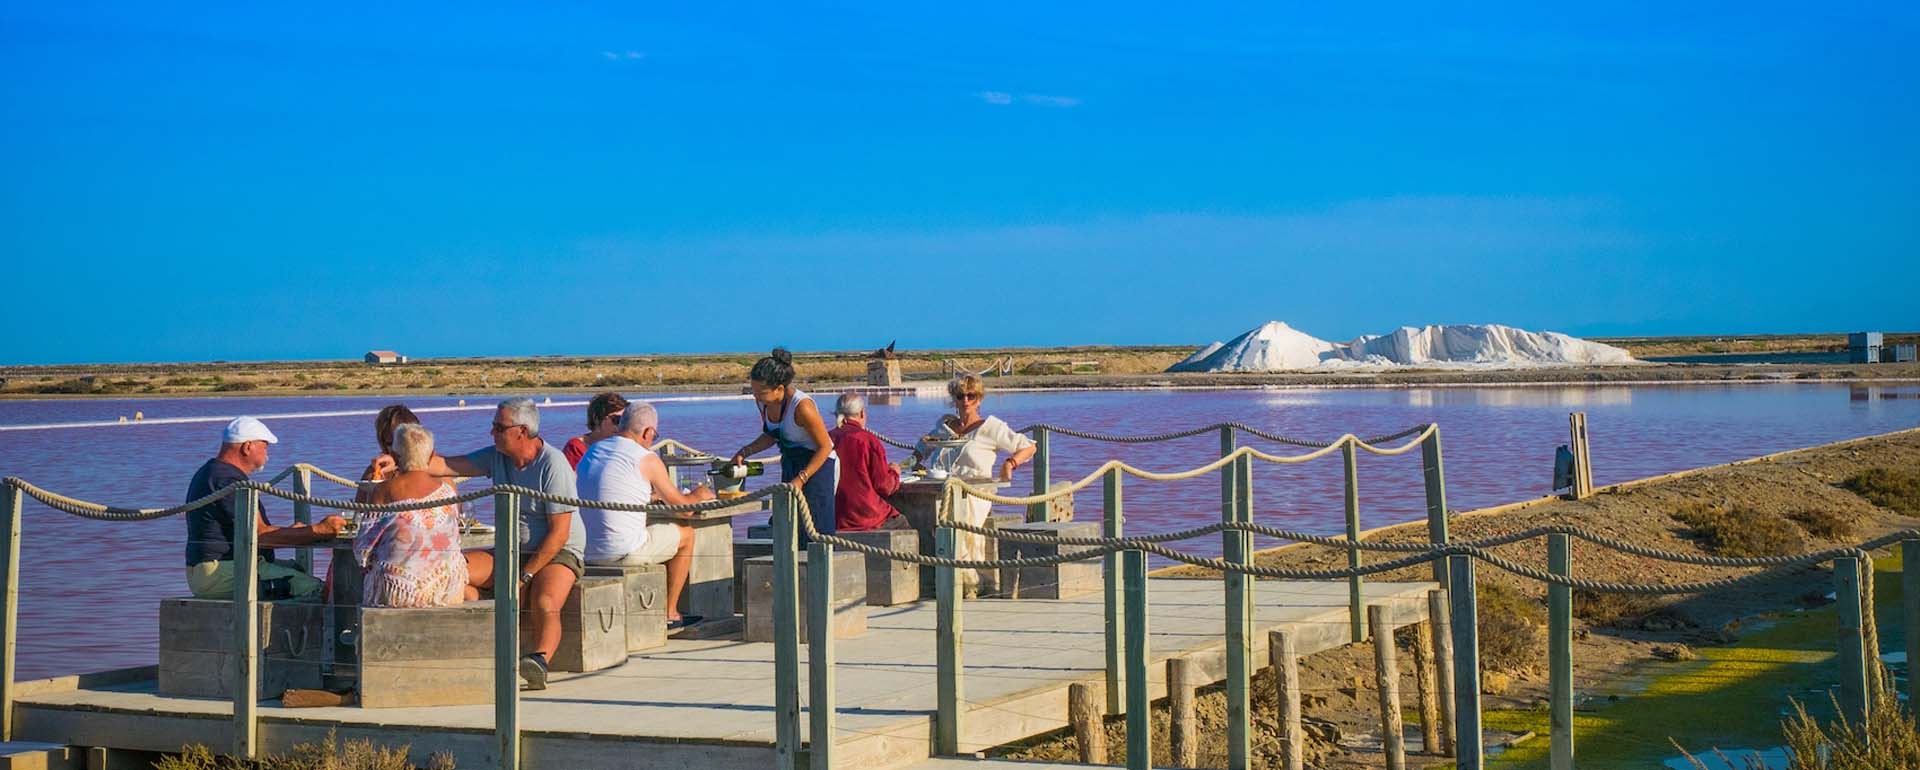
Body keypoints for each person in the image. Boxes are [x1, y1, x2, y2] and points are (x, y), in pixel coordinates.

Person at [432, 398, 582, 690]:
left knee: (545, 601)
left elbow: (559, 534)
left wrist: (524, 577)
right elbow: (445, 465)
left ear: (521, 432)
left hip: (556, 552)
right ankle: (472, 644)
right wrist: (399, 458)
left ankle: (538, 661)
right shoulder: (497, 456)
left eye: (499, 427)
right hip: (510, 549)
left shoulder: (553, 464)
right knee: (455, 571)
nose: (492, 433)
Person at [577, 401, 709, 629]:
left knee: (662, 530)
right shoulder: (646, 458)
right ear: (648, 432)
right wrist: (700, 494)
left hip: (585, 550)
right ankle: (670, 612)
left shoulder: (593, 450)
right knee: (686, 534)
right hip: (621, 551)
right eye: (654, 434)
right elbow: (685, 509)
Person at [182, 417, 347, 600]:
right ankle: (302, 629)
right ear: (247, 447)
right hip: (221, 572)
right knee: (318, 590)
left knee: (295, 569)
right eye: (265, 446)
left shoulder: (212, 471)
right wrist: (318, 530)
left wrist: (294, 532)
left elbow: (253, 533)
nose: (267, 454)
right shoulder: (228, 481)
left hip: (212, 570)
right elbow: (260, 537)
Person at [913, 375, 1036, 590]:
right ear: (954, 399)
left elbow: (1028, 446)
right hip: (942, 489)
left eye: (972, 396)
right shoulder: (945, 426)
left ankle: (969, 583)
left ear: (979, 399)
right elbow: (922, 447)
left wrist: (1010, 463)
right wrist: (915, 462)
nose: (966, 401)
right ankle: (951, 582)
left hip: (974, 491)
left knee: (960, 532)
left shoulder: (991, 427)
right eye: (961, 396)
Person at [356, 424, 471, 608]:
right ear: (432, 455)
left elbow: (363, 548)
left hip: (400, 591)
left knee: (368, 572)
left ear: (395, 456)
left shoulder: (384, 490)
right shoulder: (447, 490)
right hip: (447, 589)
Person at [730, 348, 836, 543]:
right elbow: (772, 435)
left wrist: (801, 478)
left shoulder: (802, 407)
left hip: (817, 466)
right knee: (788, 523)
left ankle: (819, 570)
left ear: (779, 389)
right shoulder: (763, 402)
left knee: (815, 530)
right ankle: (789, 570)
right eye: (753, 391)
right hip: (790, 462)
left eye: (760, 392)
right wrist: (745, 451)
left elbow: (825, 446)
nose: (756, 397)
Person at [827, 393, 909, 532]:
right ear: (862, 413)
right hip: (865, 517)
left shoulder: (826, 439)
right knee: (902, 523)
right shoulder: (868, 440)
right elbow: (884, 486)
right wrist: (894, 472)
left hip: (833, 517)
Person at [563, 392, 629, 469]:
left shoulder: (625, 446)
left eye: (625, 420)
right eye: (617, 420)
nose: (621, 425)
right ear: (597, 419)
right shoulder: (576, 448)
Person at [358, 404, 421, 483]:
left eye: (403, 443)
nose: (396, 450)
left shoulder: (432, 466)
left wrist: (400, 464)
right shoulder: (375, 471)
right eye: (390, 443)